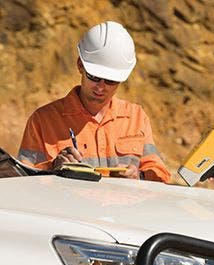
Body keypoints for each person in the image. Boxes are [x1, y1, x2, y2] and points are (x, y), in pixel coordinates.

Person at [18, 21, 170, 183]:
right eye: (94, 77)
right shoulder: (43, 120)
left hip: (122, 208)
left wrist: (138, 176)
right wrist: (54, 168)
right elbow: (22, 181)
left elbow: (160, 174)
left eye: (111, 81)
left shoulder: (136, 118)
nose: (101, 87)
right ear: (80, 66)